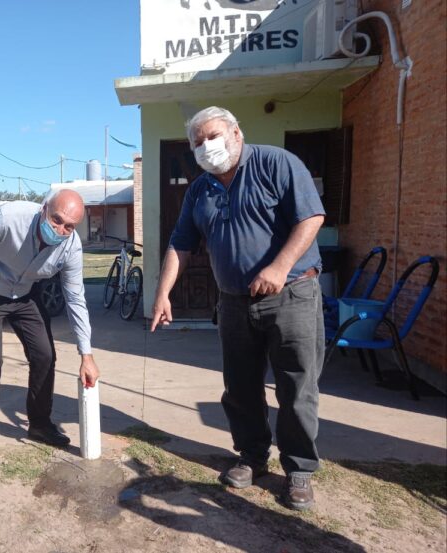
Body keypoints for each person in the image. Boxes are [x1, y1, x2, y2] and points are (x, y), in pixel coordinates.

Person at [150, 106, 325, 511]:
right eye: (197, 142)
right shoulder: (199, 190)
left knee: (296, 387)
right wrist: (163, 294)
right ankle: (252, 457)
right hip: (233, 303)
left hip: (292, 295)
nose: (206, 147)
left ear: (235, 133)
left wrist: (279, 267)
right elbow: (180, 243)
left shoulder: (276, 163)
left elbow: (311, 217)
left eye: (212, 136)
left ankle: (298, 470)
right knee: (240, 387)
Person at [0, 190, 100, 473]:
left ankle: (40, 424)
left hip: (24, 294)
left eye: (69, 226)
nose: (60, 230)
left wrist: (87, 353)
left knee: (45, 354)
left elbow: (75, 298)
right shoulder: (7, 219)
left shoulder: (71, 247)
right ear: (44, 209)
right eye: (56, 220)